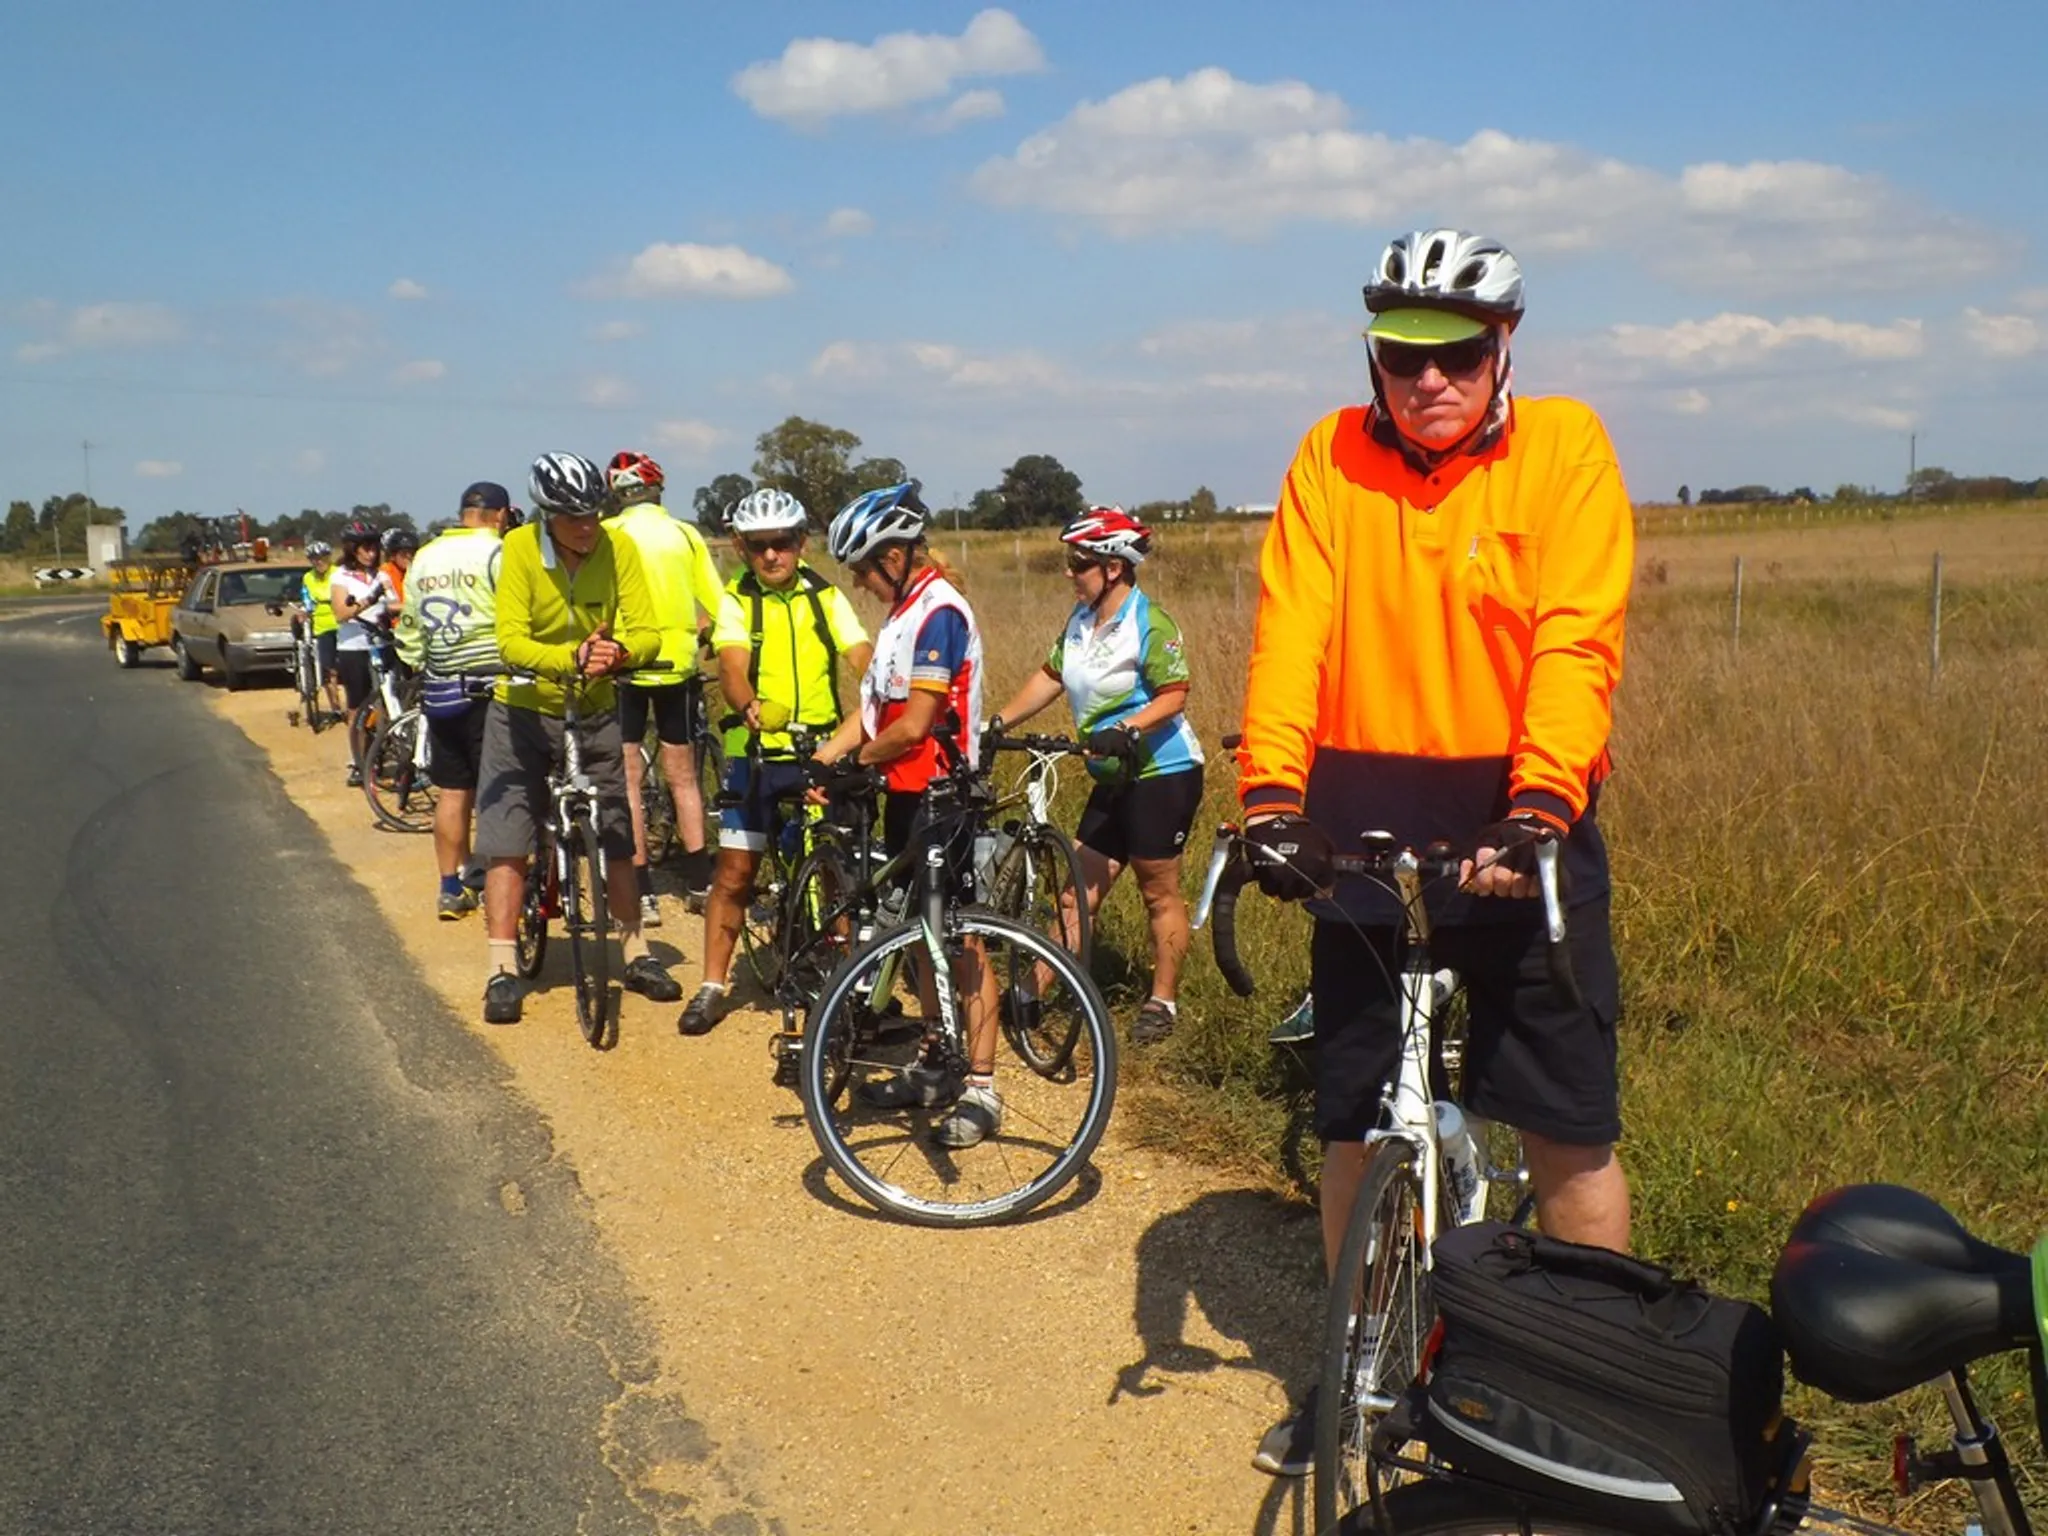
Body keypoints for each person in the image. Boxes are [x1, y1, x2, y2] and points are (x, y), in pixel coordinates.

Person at [1240, 229, 1634, 1476]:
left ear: (1501, 344)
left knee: (1567, 1125)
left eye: (1457, 354)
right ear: (1373, 355)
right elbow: (1290, 630)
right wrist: (1266, 795)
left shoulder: (1562, 447)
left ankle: (1590, 1393)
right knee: (1353, 1117)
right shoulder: (1329, 454)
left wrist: (1541, 807)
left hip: (1520, 816)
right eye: (1402, 358)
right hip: (1357, 815)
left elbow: (1575, 639)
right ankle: (1348, 1366)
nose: (1428, 382)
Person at [812, 482, 998, 1148]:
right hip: (903, 796)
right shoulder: (899, 616)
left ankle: (981, 1087)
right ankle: (934, 1060)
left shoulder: (939, 612)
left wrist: (856, 761)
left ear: (894, 556)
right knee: (920, 937)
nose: (859, 583)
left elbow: (917, 725)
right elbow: (870, 712)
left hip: (943, 798)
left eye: (863, 568)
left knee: (963, 944)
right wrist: (823, 756)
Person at [473, 452, 681, 1025]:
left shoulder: (619, 548)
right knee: (509, 835)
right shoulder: (518, 549)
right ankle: (502, 967)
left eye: (593, 513)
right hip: (522, 706)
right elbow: (510, 641)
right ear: (546, 514)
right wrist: (570, 657)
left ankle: (635, 953)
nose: (587, 526)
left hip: (593, 705)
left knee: (615, 826)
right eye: (573, 517)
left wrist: (622, 653)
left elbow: (648, 632)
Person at [990, 507, 1205, 1046]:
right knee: (1075, 896)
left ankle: (1162, 1002)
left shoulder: (1148, 621)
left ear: (1113, 567)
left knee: (1158, 892)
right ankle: (1034, 993)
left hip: (1163, 771)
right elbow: (1049, 678)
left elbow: (1174, 694)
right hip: (1112, 775)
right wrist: (995, 723)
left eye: (1078, 563)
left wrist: (1128, 728)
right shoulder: (1080, 621)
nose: (1069, 572)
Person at [677, 487, 872, 1037]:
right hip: (755, 753)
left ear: (801, 542)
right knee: (736, 873)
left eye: (782, 543)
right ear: (741, 547)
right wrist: (749, 705)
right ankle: (713, 985)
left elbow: (862, 656)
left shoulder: (825, 597)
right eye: (757, 546)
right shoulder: (736, 600)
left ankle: (837, 978)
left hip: (820, 752)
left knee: (835, 870)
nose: (771, 556)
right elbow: (734, 666)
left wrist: (889, 690)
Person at [604, 450, 727, 927]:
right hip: (678, 665)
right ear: (657, 490)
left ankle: (643, 890)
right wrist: (704, 633)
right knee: (683, 776)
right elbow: (717, 602)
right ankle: (700, 880)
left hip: (625, 664)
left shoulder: (609, 535)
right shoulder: (684, 533)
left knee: (629, 779)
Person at [396, 481, 515, 920]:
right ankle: (492, 878)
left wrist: (420, 662)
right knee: (499, 790)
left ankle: (449, 886)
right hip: (493, 683)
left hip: (441, 687)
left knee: (452, 790)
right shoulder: (498, 554)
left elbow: (409, 627)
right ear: (501, 515)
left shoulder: (425, 555)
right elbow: (516, 616)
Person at [330, 520, 395, 785]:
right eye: (365, 548)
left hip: (380, 644)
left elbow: (394, 604)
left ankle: (381, 750)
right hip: (354, 648)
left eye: (374, 548)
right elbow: (341, 614)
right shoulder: (341, 576)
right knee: (357, 707)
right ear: (352, 550)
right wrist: (369, 599)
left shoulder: (381, 575)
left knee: (387, 701)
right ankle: (358, 761)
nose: (371, 553)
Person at [296, 539, 344, 724]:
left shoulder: (338, 573)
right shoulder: (308, 578)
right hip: (322, 626)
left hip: (341, 622)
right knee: (328, 669)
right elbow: (307, 599)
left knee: (347, 667)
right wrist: (304, 611)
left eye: (322, 558)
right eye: (314, 559)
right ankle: (336, 708)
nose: (318, 562)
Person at [380, 526, 419, 611]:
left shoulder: (415, 572)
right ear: (393, 556)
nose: (409, 558)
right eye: (404, 554)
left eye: (412, 554)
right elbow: (390, 605)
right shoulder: (385, 573)